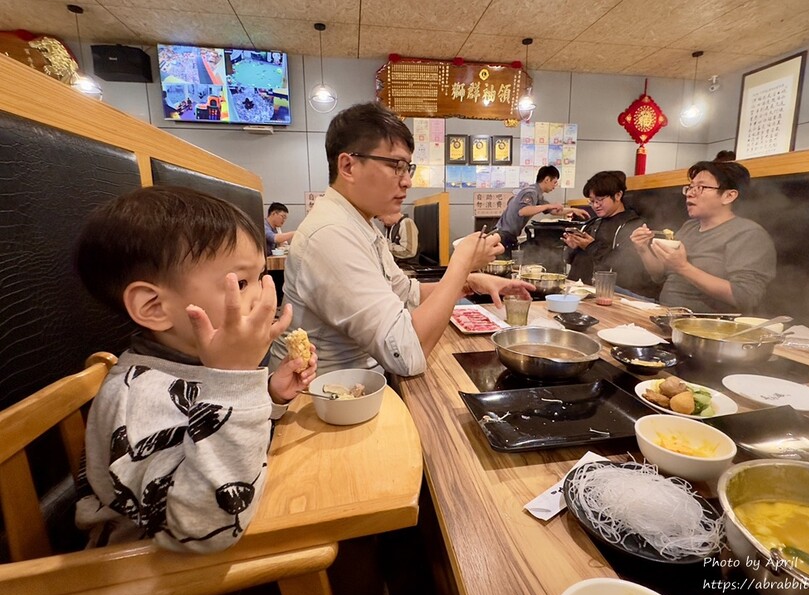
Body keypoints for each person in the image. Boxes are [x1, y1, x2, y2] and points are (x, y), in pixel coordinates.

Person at [73, 186, 317, 553]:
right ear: (154, 307)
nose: (264, 297)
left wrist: (270, 395)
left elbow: (212, 435)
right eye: (240, 283)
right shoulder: (140, 399)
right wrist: (234, 380)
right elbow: (206, 527)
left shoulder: (194, 363)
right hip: (149, 573)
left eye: (261, 277)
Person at [273, 102, 533, 377]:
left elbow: (408, 294)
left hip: (360, 388)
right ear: (348, 166)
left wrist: (468, 283)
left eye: (409, 168)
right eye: (396, 166)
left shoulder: (362, 224)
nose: (408, 181)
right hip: (323, 401)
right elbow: (407, 354)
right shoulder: (330, 234)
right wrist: (461, 263)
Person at [630, 161, 776, 313]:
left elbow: (745, 297)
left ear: (728, 196)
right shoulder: (689, 227)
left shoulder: (748, 234)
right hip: (665, 314)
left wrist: (683, 267)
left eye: (701, 187)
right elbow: (659, 275)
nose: (690, 193)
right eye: (690, 187)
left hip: (708, 327)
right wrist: (643, 249)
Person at [562, 170, 658, 299]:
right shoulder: (593, 223)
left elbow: (623, 267)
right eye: (592, 201)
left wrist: (591, 246)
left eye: (600, 200)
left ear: (618, 195)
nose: (595, 205)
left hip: (609, 296)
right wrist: (573, 248)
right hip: (577, 292)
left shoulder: (633, 226)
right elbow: (569, 261)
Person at [493, 165, 589, 253]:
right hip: (503, 234)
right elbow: (523, 211)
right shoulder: (530, 192)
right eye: (554, 182)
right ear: (547, 179)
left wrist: (573, 210)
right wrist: (549, 206)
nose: (555, 186)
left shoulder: (538, 195)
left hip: (509, 235)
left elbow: (553, 211)